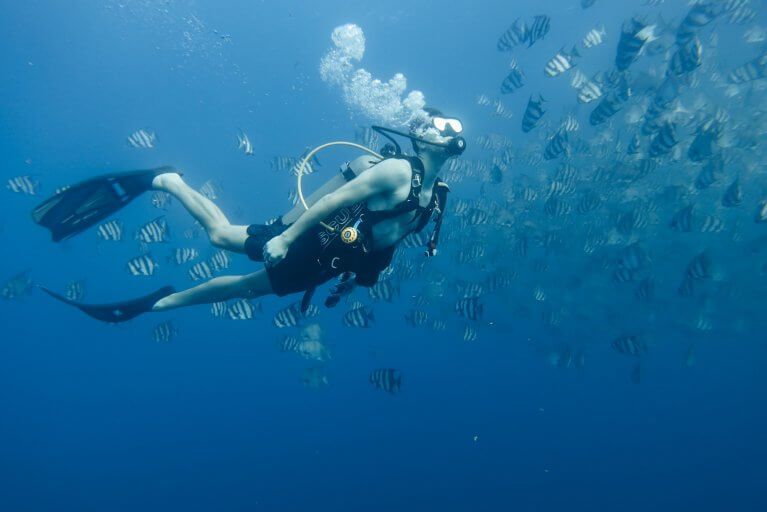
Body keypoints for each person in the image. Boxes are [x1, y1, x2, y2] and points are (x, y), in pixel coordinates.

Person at [32, 108, 466, 322]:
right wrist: (285, 237)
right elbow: (334, 202)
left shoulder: (437, 193)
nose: (448, 132)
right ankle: (168, 182)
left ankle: (159, 302)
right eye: (440, 125)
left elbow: (389, 235)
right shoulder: (395, 170)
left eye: (450, 128)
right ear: (423, 137)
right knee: (222, 240)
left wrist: (359, 276)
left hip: (330, 259)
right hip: (307, 237)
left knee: (248, 288)